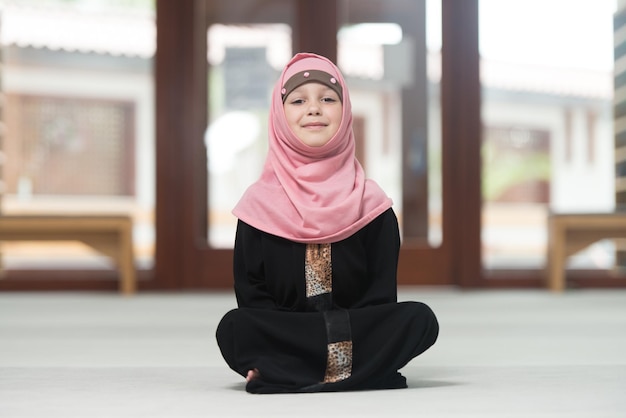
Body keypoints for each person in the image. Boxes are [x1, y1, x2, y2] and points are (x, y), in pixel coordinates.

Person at [215, 52, 439, 394]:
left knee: (419, 319)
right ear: (279, 114)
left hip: (354, 330)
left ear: (345, 111)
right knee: (235, 326)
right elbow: (252, 297)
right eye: (299, 100)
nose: (314, 108)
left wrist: (337, 333)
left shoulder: (372, 206)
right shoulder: (258, 206)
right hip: (286, 331)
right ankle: (358, 372)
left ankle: (285, 370)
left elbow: (379, 299)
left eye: (328, 99)